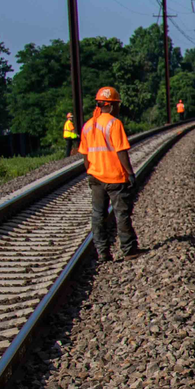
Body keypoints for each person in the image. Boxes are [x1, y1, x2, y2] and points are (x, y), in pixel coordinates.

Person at [79, 86, 139, 261]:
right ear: (112, 106)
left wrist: (91, 171)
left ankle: (103, 252)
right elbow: (121, 151)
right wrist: (130, 173)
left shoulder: (88, 125)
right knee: (122, 213)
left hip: (95, 177)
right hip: (114, 178)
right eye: (117, 105)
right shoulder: (114, 123)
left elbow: (85, 155)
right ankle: (129, 250)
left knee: (98, 215)